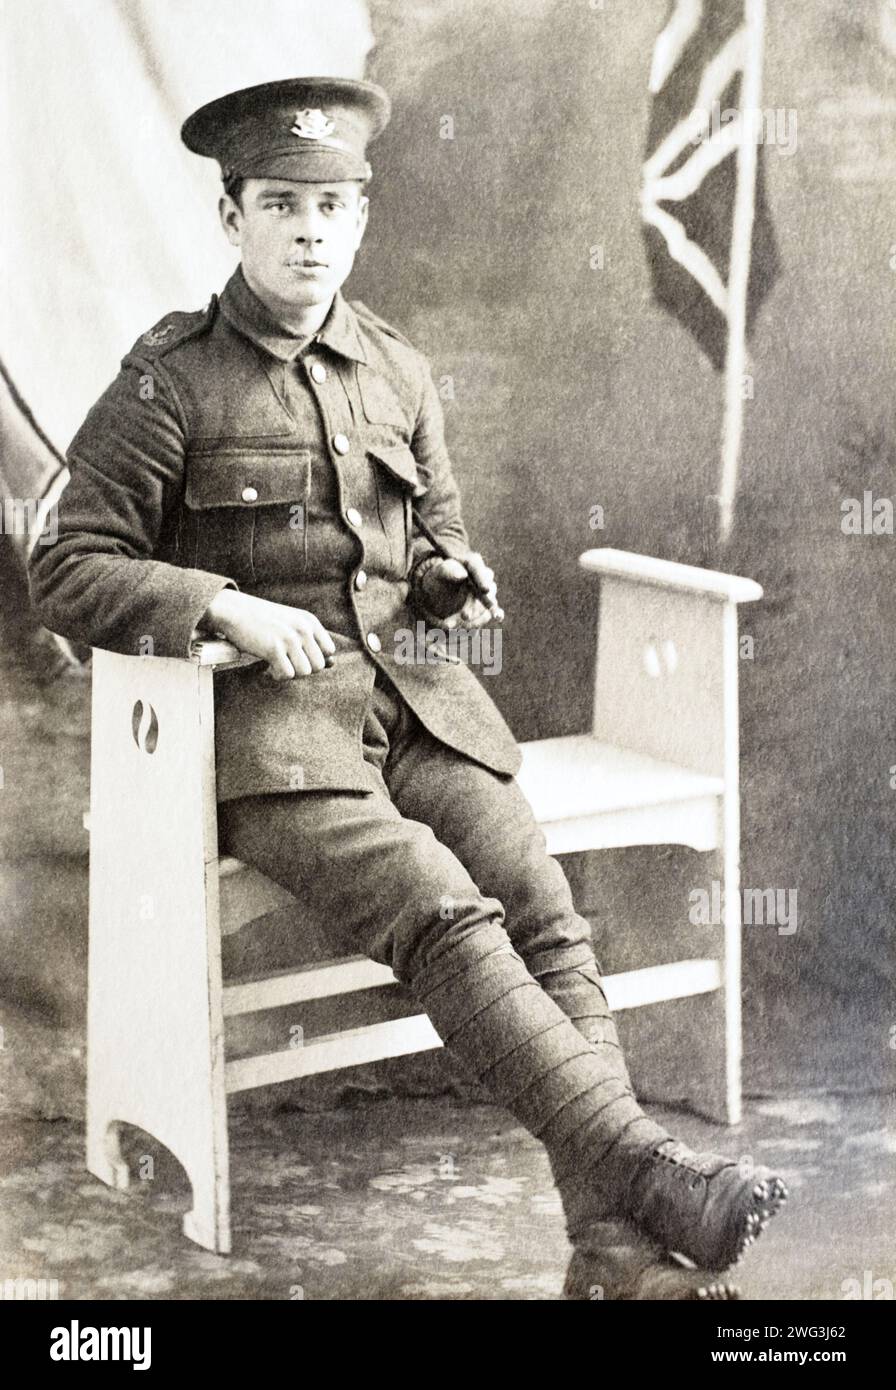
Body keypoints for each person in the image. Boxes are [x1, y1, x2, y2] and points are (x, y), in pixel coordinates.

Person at [28, 75, 786, 1300]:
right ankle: (646, 1173)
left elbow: (432, 545)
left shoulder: (397, 370)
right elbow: (64, 566)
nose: (310, 230)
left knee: (544, 908)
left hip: (416, 709)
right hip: (262, 740)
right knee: (442, 909)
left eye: (332, 204)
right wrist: (222, 605)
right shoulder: (170, 382)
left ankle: (608, 1246)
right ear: (231, 219)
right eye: (282, 203)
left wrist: (448, 578)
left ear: (361, 218)